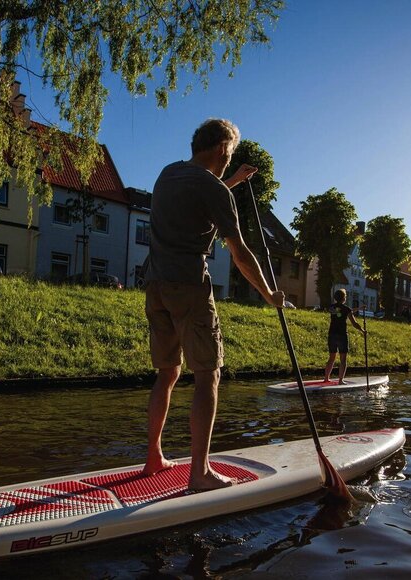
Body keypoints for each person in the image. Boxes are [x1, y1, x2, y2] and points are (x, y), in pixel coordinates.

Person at [141, 118, 285, 491]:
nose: (228, 160)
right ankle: (200, 473)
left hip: (154, 283)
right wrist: (269, 294)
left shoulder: (168, 174)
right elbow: (240, 253)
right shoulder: (214, 189)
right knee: (208, 375)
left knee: (167, 372)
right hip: (189, 286)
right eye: (229, 154)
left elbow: (199, 194)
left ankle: (153, 457)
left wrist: (232, 181)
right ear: (222, 149)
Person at [324, 289, 366, 383]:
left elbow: (345, 311)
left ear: (335, 298)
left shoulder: (331, 308)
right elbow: (354, 323)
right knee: (343, 359)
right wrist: (363, 331)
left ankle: (326, 378)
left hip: (332, 334)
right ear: (344, 298)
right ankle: (340, 380)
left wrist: (359, 308)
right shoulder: (346, 309)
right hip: (342, 335)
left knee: (331, 358)